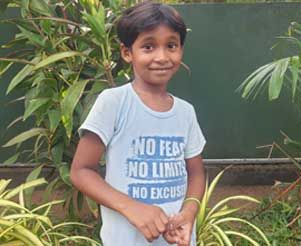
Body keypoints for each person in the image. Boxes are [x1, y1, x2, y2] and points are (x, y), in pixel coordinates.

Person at [70, 1, 206, 245]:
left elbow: (196, 172)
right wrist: (132, 208)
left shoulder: (186, 112)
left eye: (171, 45)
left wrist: (189, 213)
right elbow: (81, 171)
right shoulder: (114, 102)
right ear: (127, 52)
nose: (162, 56)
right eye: (148, 46)